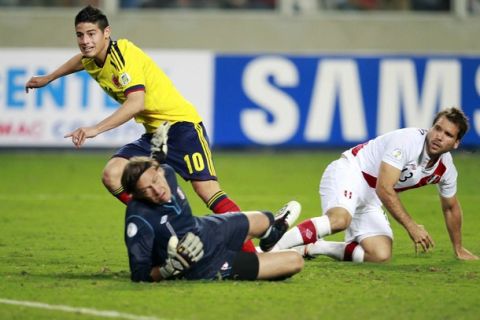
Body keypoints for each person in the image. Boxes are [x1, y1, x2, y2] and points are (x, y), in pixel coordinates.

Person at [24, 5, 256, 252]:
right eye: (80, 35)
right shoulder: (91, 59)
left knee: (207, 191)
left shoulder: (123, 54)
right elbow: (79, 61)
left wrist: (96, 129)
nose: (85, 41)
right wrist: (49, 78)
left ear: (106, 33)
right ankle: (165, 225)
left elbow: (136, 103)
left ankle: (253, 251)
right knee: (112, 174)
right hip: (156, 134)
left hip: (181, 126)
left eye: (91, 34)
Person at [270, 107, 478, 263]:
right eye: (437, 128)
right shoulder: (408, 141)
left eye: (448, 134)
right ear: (430, 127)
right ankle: (267, 251)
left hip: (371, 196)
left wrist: (458, 248)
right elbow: (385, 188)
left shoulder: (446, 169)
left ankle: (313, 248)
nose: (439, 136)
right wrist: (411, 226)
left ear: (456, 143)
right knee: (340, 219)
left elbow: (450, 207)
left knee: (379, 254)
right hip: (351, 172)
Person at [120, 156, 304, 281]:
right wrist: (168, 270)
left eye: (155, 180)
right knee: (295, 261)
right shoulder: (139, 220)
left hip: (208, 228)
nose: (157, 189)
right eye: (146, 190)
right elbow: (139, 275)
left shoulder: (166, 171)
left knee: (265, 218)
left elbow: (155, 164)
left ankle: (269, 240)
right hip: (203, 263)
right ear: (136, 195)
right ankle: (258, 262)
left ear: (158, 171)